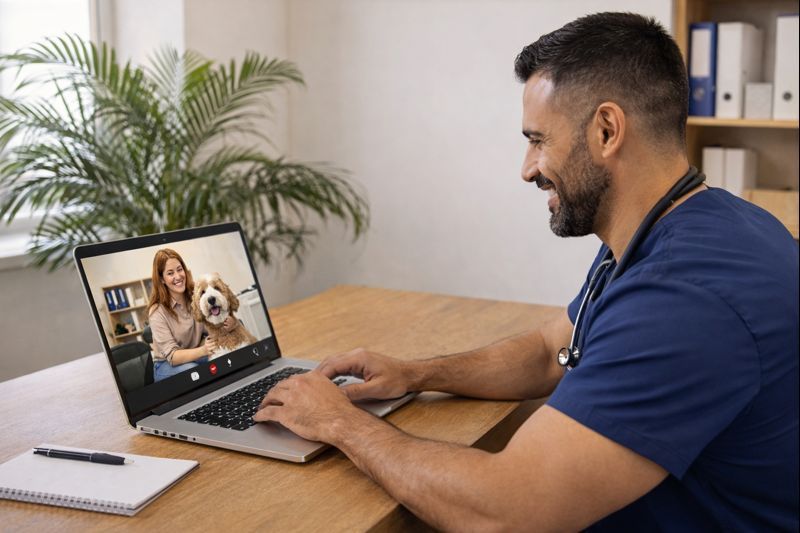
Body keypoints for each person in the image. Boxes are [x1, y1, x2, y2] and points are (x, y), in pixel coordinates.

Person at [253, 12, 799, 531]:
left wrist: (337, 423)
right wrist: (416, 374)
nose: (527, 169)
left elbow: (506, 510)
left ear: (607, 130)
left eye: (538, 140)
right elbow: (551, 351)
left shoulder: (687, 295)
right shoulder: (691, 222)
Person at [148, 248, 236, 382]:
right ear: (162, 279)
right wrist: (203, 350)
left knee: (226, 354)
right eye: (170, 273)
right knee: (194, 370)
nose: (178, 276)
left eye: (179, 269)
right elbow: (173, 356)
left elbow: (212, 324)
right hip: (166, 365)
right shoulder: (157, 312)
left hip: (198, 352)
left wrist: (231, 323)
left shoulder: (195, 294)